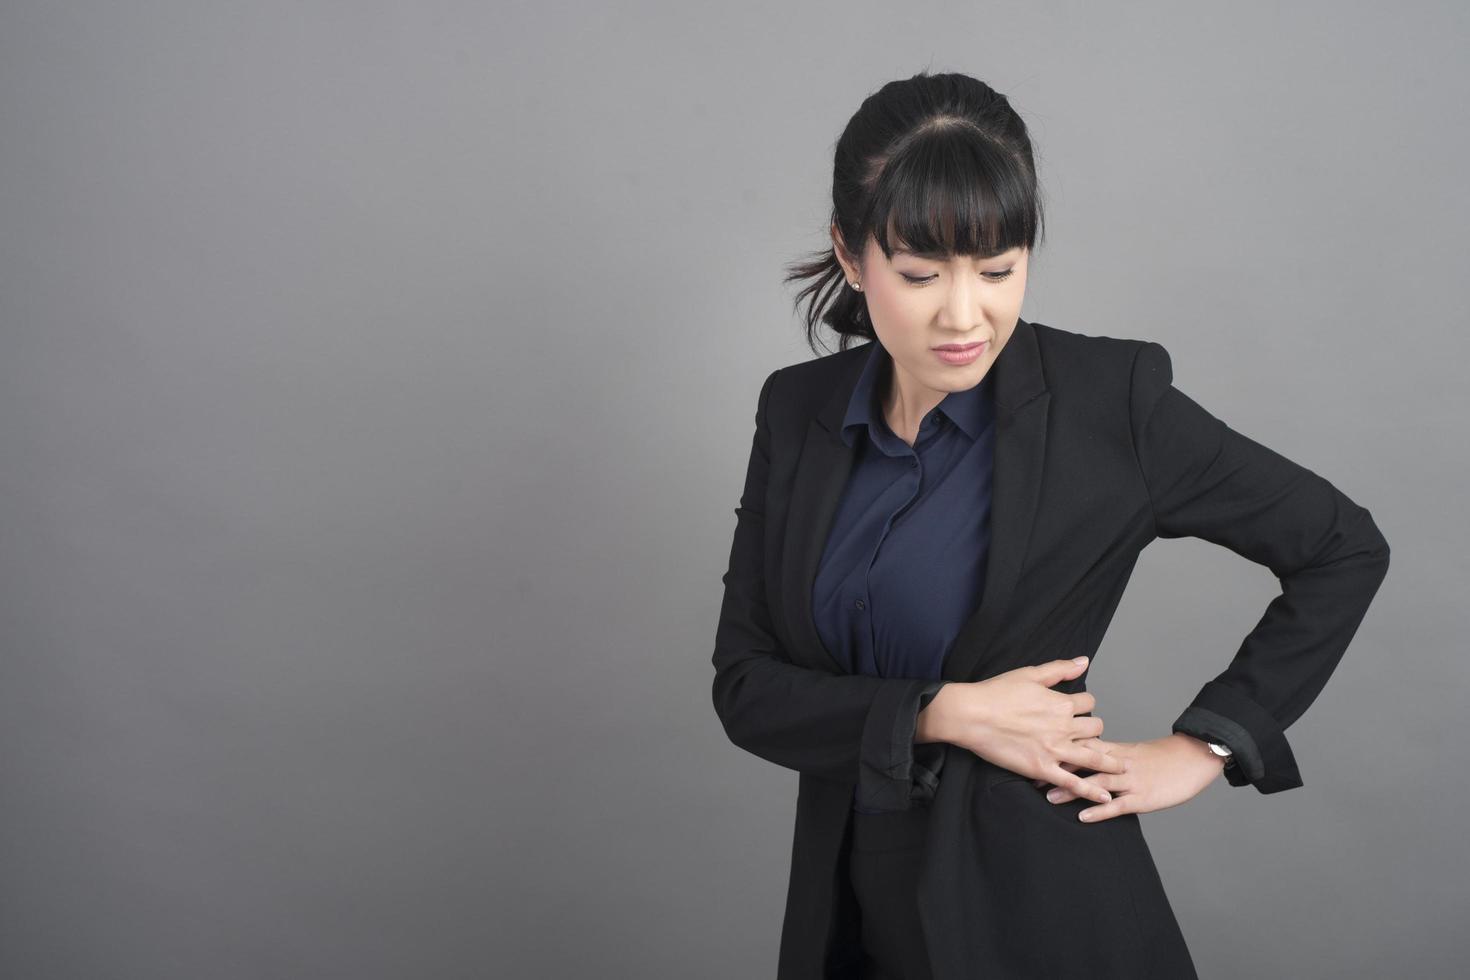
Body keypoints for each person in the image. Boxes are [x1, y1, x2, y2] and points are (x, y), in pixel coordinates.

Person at [709, 71, 1392, 979]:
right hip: (851, 920)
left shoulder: (1110, 404)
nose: (966, 315)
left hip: (1043, 915)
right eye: (919, 275)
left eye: (998, 270)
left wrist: (1207, 745)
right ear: (849, 254)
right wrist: (941, 712)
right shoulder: (796, 411)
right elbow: (747, 688)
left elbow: (1341, 545)